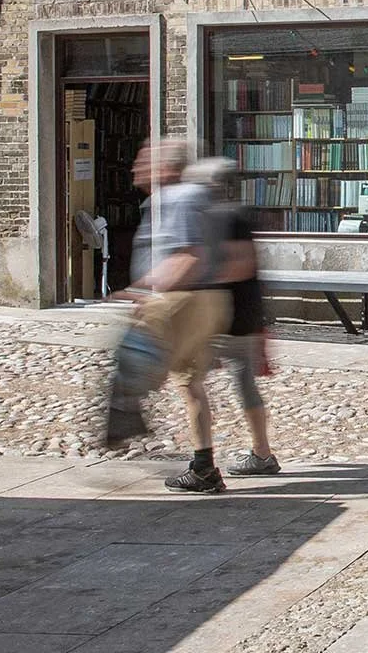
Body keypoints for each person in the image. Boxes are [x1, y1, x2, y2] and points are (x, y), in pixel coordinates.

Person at [111, 138, 232, 493]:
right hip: (206, 299)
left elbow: (189, 256)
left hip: (185, 298)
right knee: (190, 385)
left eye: (144, 161)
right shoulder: (189, 197)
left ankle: (124, 416)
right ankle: (204, 467)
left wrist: (143, 290)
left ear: (165, 168)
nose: (136, 168)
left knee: (133, 351)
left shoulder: (179, 197)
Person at [186, 158, 281, 477]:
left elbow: (241, 264)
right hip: (238, 312)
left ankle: (206, 462)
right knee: (238, 382)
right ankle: (261, 453)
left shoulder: (224, 216)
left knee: (193, 382)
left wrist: (198, 282)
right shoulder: (230, 214)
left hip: (228, 314)